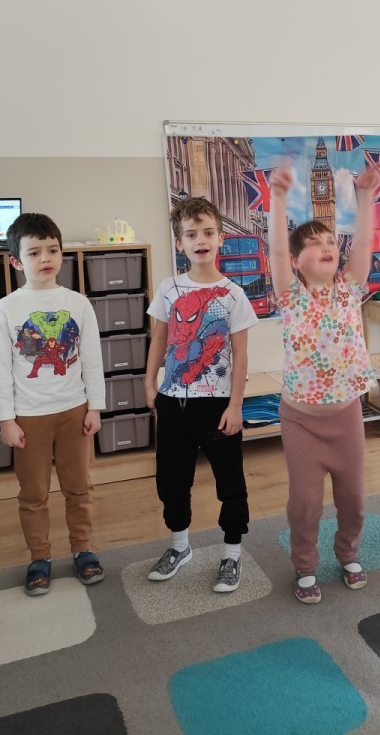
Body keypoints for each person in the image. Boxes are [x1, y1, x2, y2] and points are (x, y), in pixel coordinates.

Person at [268, 163, 380, 604]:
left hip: (346, 415)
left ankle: (348, 553)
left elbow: (364, 244)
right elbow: (276, 251)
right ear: (297, 262)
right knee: (306, 503)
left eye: (331, 241)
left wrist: (366, 196)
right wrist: (278, 198)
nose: (326, 247)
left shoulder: (350, 289)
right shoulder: (290, 295)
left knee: (353, 498)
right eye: (314, 244)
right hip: (300, 420)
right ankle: (305, 565)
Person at [143, 197, 258, 591]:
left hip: (217, 406)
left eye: (208, 232)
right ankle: (180, 547)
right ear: (180, 243)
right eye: (191, 234)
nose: (201, 240)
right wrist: (149, 383)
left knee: (230, 482)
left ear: (221, 238)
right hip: (173, 402)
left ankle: (232, 553)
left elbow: (241, 355)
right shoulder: (169, 288)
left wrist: (236, 405)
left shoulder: (233, 294)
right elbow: (159, 338)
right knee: (171, 481)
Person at [0, 213, 106, 596]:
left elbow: (91, 359)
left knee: (79, 487)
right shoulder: (5, 309)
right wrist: (6, 419)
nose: (45, 258)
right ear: (16, 261)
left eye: (53, 250)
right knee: (34, 494)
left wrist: (95, 407)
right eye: (34, 252)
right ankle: (39, 557)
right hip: (28, 417)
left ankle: (83, 549)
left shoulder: (78, 304)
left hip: (74, 411)